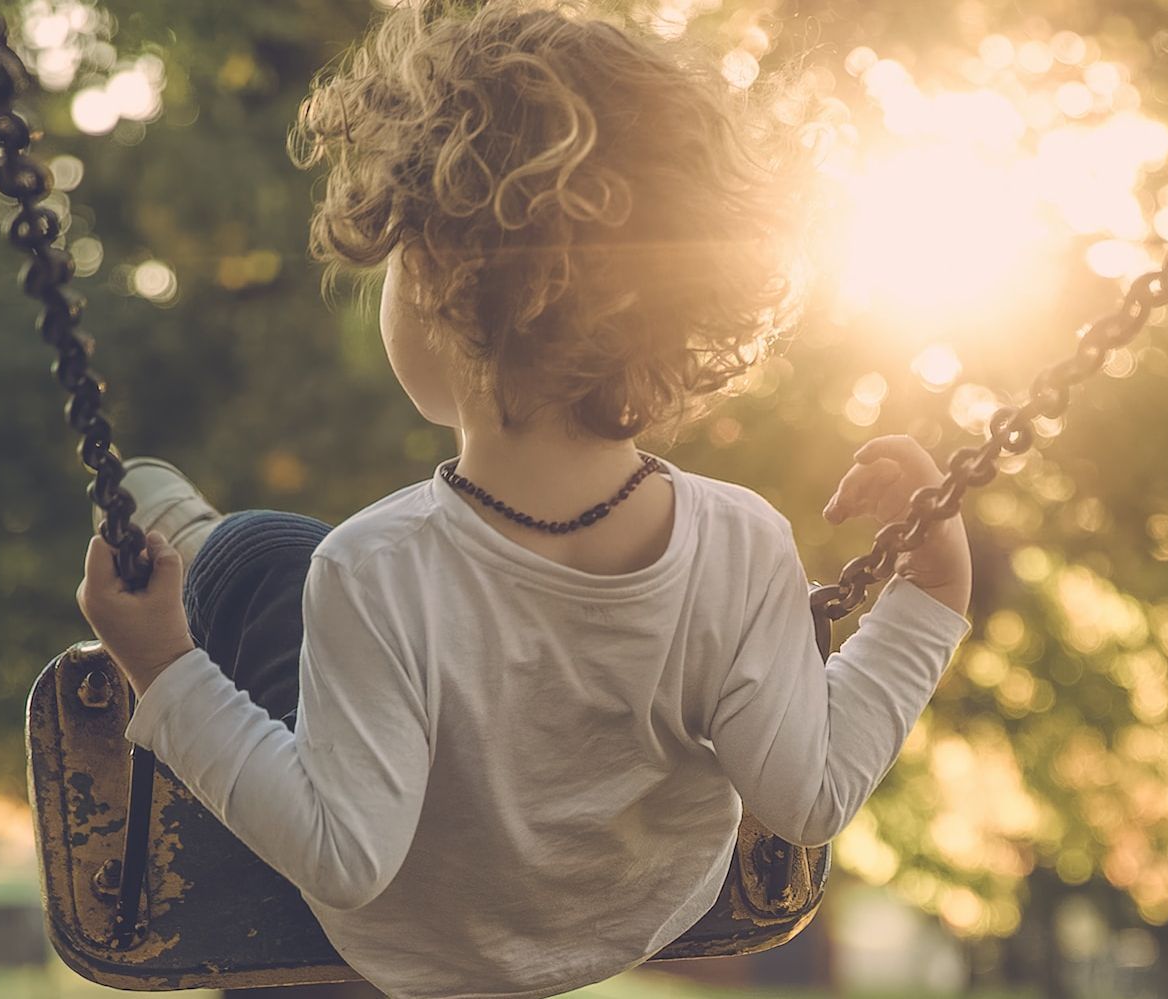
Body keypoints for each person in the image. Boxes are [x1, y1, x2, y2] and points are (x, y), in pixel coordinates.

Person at [73, 3, 973, 998]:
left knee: (256, 555)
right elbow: (809, 798)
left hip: (414, 940)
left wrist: (160, 665)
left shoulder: (375, 569)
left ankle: (194, 539)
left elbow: (343, 857)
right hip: (636, 916)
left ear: (442, 282)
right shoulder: (744, 541)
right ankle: (192, 535)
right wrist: (929, 603)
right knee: (265, 555)